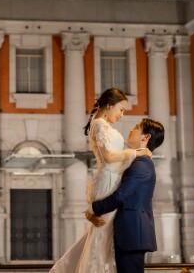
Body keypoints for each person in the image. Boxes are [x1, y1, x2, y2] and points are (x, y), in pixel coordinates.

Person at [50, 88, 151, 273]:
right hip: (108, 181)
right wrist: (137, 152)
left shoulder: (107, 127)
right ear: (109, 105)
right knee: (102, 236)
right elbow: (109, 157)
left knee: (107, 236)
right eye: (120, 110)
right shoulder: (98, 124)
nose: (122, 115)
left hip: (113, 180)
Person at [87, 118, 165, 273]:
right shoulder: (138, 160)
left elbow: (120, 195)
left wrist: (93, 208)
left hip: (133, 233)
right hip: (131, 234)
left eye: (136, 127)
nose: (131, 129)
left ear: (146, 137)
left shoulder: (142, 164)